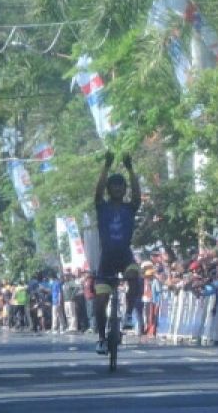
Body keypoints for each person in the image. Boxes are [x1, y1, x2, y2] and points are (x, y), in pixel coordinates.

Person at [93, 151, 141, 355]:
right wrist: (106, 166)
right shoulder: (101, 207)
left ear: (124, 189)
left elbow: (138, 193)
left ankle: (129, 314)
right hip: (106, 260)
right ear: (109, 189)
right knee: (101, 300)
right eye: (113, 186)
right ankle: (102, 339)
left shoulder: (130, 208)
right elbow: (97, 191)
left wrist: (130, 169)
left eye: (121, 186)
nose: (117, 189)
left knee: (134, 276)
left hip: (124, 256)